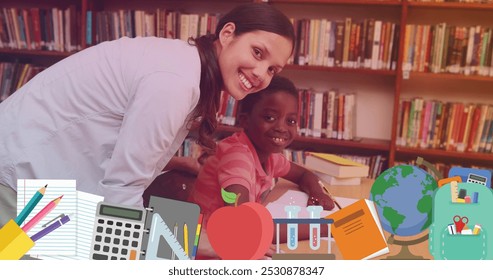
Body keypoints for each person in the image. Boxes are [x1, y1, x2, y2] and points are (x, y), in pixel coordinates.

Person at [0, 3, 295, 228]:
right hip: (17, 183)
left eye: (272, 69)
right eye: (258, 53)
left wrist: (174, 162)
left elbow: (120, 139)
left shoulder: (186, 63)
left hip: (35, 178)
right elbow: (120, 196)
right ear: (228, 33)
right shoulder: (176, 82)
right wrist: (194, 244)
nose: (260, 75)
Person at [188, 75, 335, 259]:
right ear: (245, 120)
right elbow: (242, 225)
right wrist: (322, 227)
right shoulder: (237, 157)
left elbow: (303, 174)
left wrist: (317, 192)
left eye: (290, 121)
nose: (281, 127)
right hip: (209, 251)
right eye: (270, 117)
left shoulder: (269, 155)